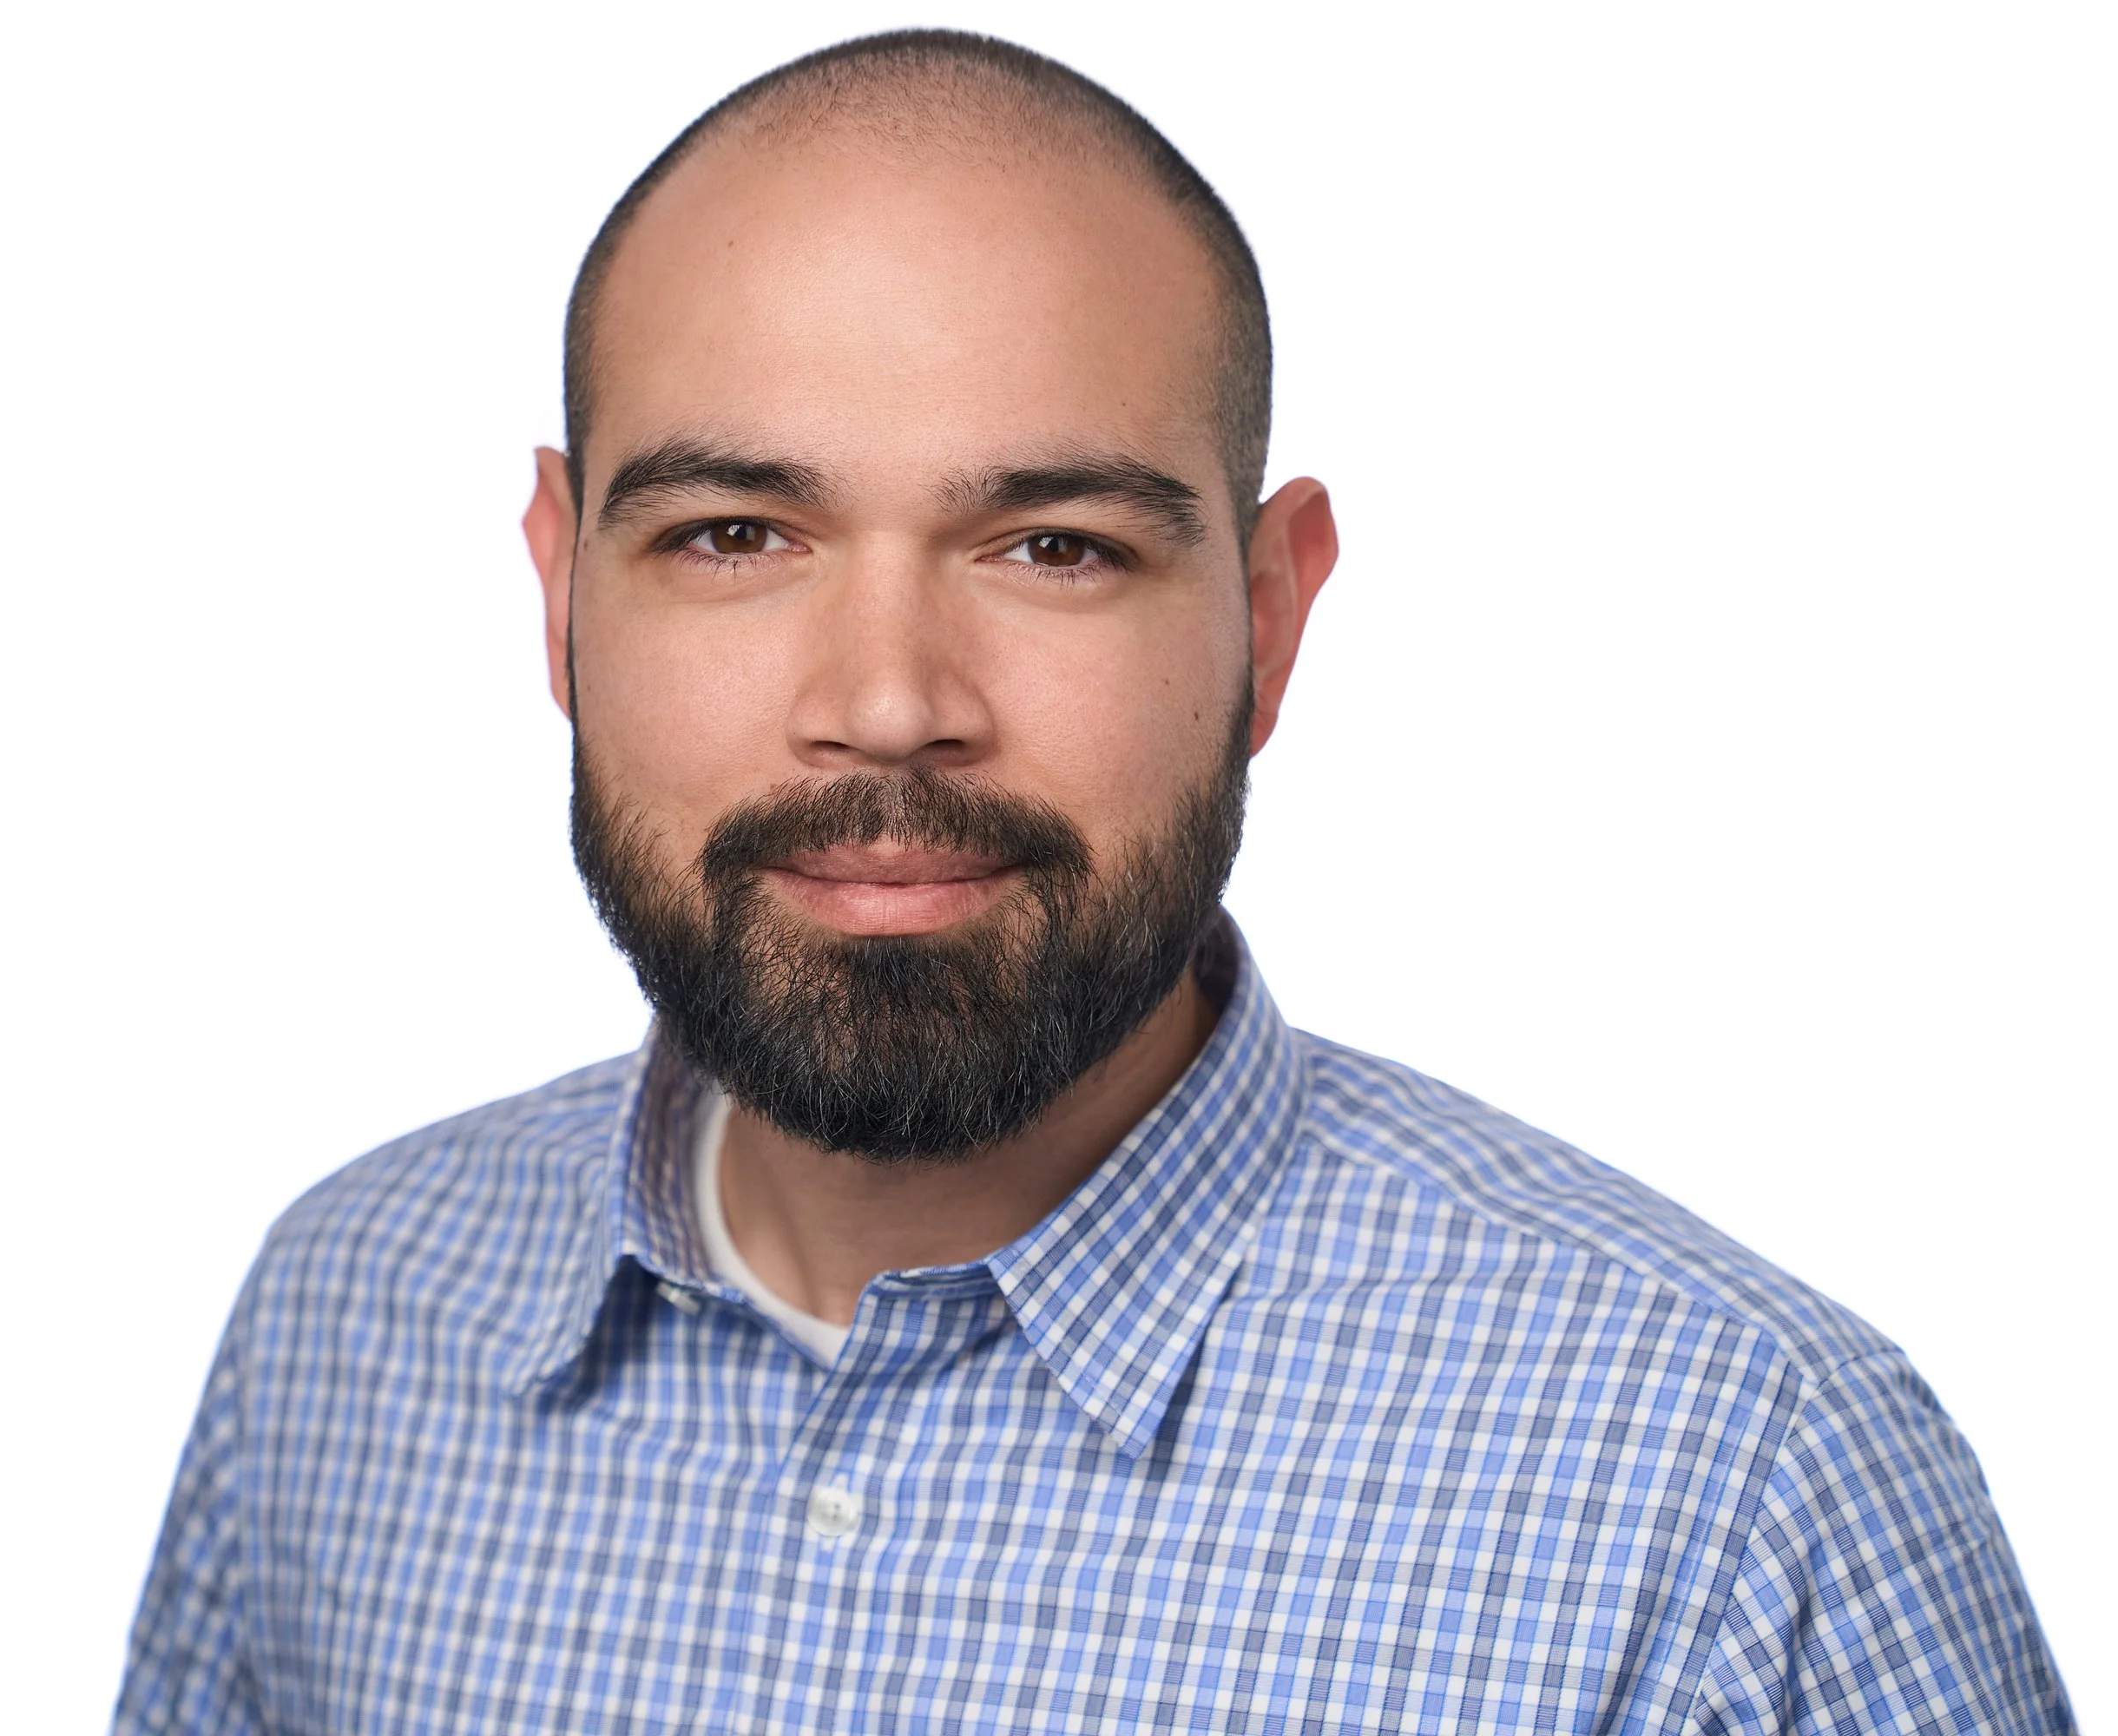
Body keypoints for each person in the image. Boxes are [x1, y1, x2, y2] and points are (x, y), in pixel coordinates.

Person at [115, 29, 2073, 1736]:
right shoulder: (337, 1320)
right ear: (558, 595)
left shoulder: (1737, 1487)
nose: (884, 707)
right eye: (732, 533)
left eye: (1050, 547)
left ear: (1268, 621)